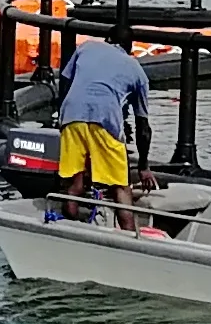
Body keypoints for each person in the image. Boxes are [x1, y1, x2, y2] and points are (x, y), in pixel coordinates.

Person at [48, 29, 152, 217]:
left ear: (107, 40)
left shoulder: (87, 47)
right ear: (130, 49)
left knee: (74, 186)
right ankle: (128, 235)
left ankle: (71, 231)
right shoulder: (137, 70)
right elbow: (143, 127)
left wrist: (62, 116)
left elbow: (65, 80)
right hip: (105, 120)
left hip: (71, 115)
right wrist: (143, 167)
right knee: (120, 187)